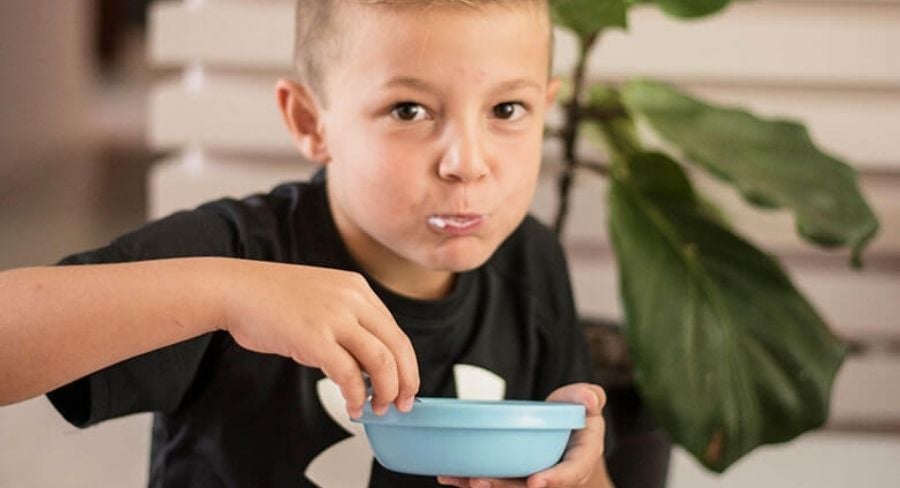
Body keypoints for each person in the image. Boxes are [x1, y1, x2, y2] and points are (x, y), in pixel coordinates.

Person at [0, 0, 613, 486]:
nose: (467, 163)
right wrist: (227, 294)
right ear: (310, 123)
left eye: (507, 108)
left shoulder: (531, 262)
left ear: (547, 109)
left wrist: (574, 478)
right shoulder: (237, 253)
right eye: (408, 110)